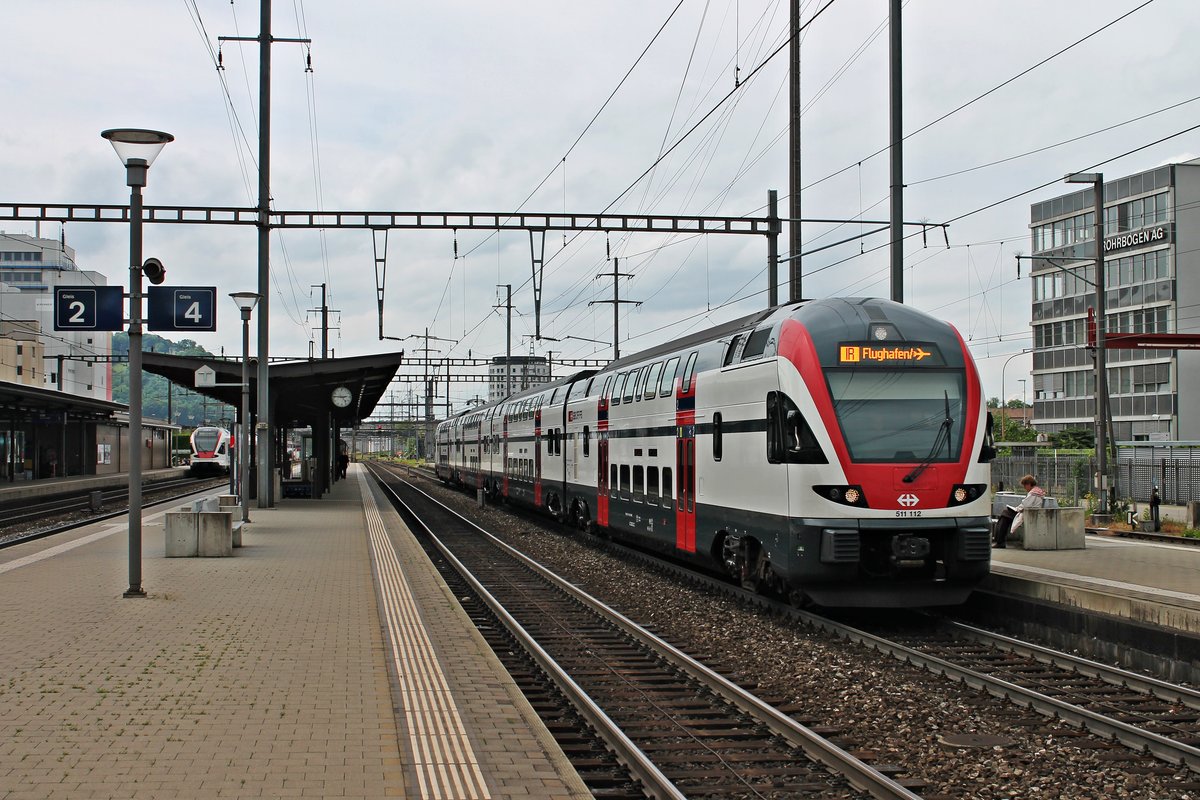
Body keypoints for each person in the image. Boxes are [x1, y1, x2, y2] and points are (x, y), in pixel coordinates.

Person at [992, 474, 1046, 549]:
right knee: (1004, 516)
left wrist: (1016, 509)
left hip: (1028, 514)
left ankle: (1000, 541)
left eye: (1025, 486)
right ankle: (999, 541)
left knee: (1004, 516)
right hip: (1028, 512)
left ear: (1029, 484)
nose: (1024, 488)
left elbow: (1025, 504)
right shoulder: (1037, 491)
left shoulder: (1033, 493)